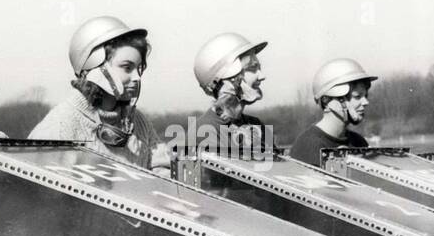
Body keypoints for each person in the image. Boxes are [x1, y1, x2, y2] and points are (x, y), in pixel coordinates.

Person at [29, 16, 169, 172]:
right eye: (127, 68)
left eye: (139, 69)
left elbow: (162, 169)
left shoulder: (140, 122)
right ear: (95, 68)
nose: (137, 78)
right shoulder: (58, 129)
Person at [190, 32, 272, 157]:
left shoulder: (256, 125)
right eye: (252, 68)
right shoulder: (204, 131)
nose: (262, 76)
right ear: (228, 78)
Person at [289, 58, 377, 167]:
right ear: (327, 100)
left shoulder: (358, 142)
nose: (365, 102)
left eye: (365, 96)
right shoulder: (309, 145)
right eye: (357, 96)